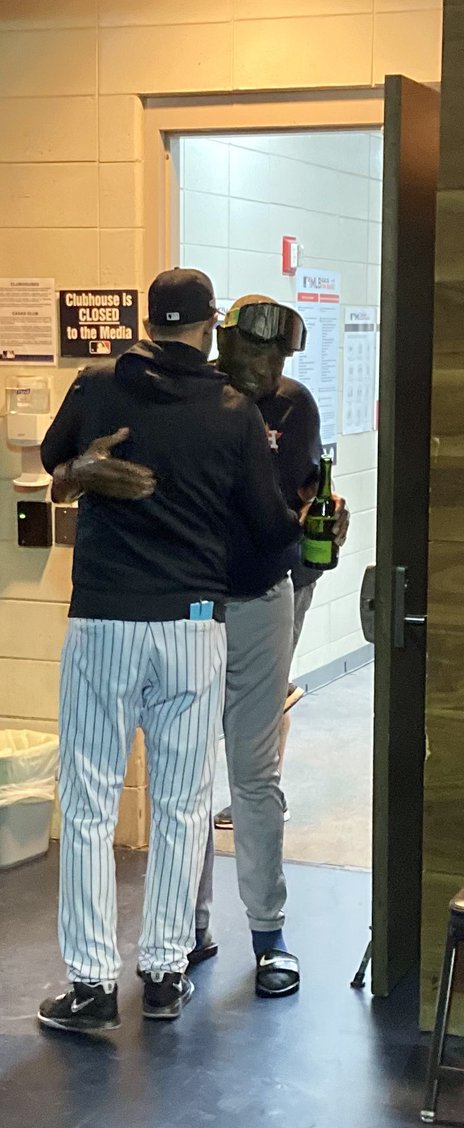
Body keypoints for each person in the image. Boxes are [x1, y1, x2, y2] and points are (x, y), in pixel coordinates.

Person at [36, 269, 301, 1033]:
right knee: (184, 806)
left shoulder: (96, 387)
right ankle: (163, 975)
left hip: (107, 622)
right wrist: (311, 517)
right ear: (210, 324)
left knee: (88, 805)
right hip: (193, 628)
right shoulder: (232, 411)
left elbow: (54, 467)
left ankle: (89, 986)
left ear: (148, 320)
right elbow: (270, 528)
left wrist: (76, 476)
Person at [193, 294, 349, 999]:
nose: (264, 366)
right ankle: (186, 926)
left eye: (277, 356)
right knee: (186, 774)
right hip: (190, 607)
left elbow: (308, 497)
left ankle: (268, 931)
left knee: (253, 775)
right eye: (252, 351)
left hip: (265, 597)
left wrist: (325, 533)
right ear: (223, 342)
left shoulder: (295, 406)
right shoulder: (193, 399)